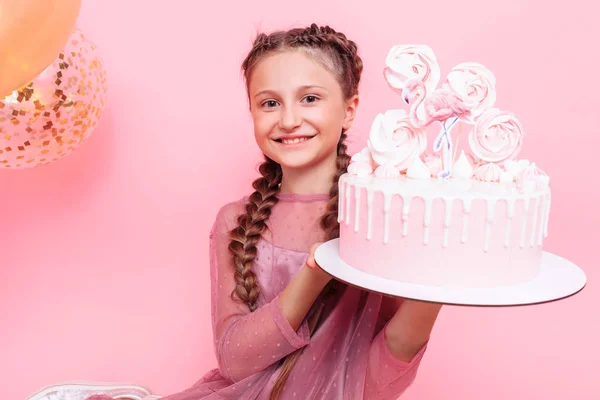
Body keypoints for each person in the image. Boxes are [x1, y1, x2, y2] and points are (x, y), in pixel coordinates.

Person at [31, 23, 442, 400]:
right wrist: (315, 271)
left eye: (310, 98)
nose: (289, 119)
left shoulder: (380, 214)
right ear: (251, 111)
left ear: (349, 108)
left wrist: (441, 277)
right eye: (269, 103)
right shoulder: (235, 221)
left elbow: (386, 368)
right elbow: (235, 360)